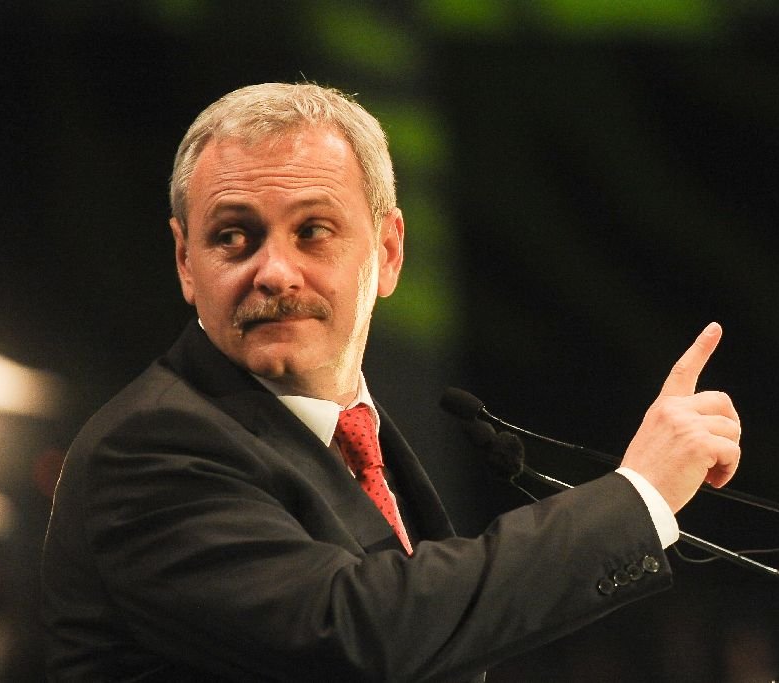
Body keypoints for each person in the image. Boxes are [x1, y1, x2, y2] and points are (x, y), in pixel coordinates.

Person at [41, 83, 741, 682]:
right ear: (185, 261)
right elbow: (364, 630)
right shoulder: (151, 447)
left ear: (389, 250)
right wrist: (638, 496)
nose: (274, 271)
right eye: (233, 236)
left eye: (313, 230)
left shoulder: (356, 438)